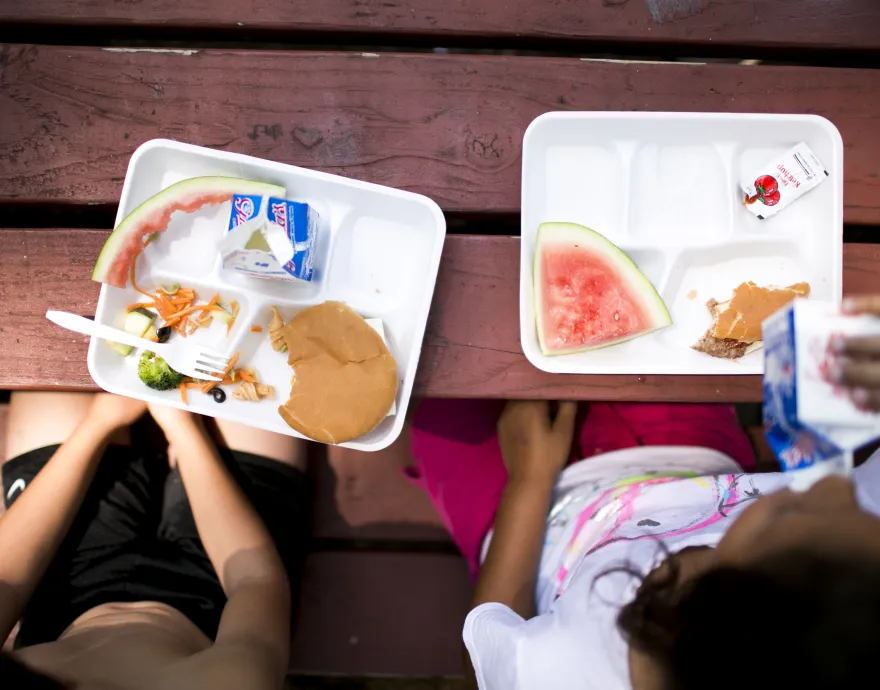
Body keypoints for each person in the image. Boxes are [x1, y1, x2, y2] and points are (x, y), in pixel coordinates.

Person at [406, 295, 880, 690]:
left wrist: (529, 480)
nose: (829, 488)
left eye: (792, 508)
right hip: (686, 464)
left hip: (528, 533)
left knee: (434, 375)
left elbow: (489, 654)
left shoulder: (566, 673)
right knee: (642, 305)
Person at [0, 392, 310, 689]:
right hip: (216, 589)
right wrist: (183, 428)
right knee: (255, 378)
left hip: (60, 583)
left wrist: (99, 424)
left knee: (56, 360)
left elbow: (8, 579)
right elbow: (256, 582)